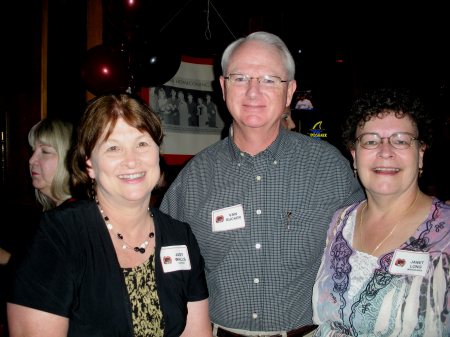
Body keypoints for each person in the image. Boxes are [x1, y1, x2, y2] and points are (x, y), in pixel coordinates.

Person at [159, 31, 365, 337]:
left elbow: (367, 255)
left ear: (290, 90)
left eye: (269, 79)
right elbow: (168, 273)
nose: (253, 92)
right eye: (240, 78)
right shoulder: (193, 178)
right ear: (223, 87)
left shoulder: (328, 168)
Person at [7, 94, 211, 337]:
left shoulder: (180, 236)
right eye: (113, 147)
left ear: (158, 152)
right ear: (89, 164)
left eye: (142, 144)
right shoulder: (57, 236)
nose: (132, 160)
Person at [311, 88, 450, 336]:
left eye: (400, 140)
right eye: (371, 141)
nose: (385, 151)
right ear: (354, 155)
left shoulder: (447, 232)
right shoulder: (340, 222)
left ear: (420, 153)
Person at [1, 117, 75, 335]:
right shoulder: (55, 214)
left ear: (68, 158)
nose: (31, 159)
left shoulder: (70, 219)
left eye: (45, 151)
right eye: (33, 150)